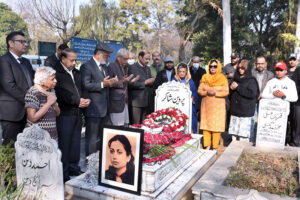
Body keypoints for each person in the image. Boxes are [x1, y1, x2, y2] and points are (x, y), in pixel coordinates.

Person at [54, 48, 91, 182]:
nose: (74, 63)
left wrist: (86, 99)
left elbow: (83, 88)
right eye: (71, 60)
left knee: (75, 142)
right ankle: (64, 173)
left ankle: (74, 168)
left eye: (75, 60)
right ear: (63, 59)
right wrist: (76, 101)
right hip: (65, 113)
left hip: (77, 112)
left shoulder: (76, 72)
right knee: (65, 143)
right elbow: (59, 93)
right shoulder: (56, 73)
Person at [81, 42, 118, 157]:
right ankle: (90, 161)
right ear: (99, 54)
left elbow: (106, 83)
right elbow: (86, 85)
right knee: (92, 138)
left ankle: (101, 160)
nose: (108, 59)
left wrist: (111, 82)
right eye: (106, 56)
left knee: (104, 136)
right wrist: (103, 84)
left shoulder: (104, 67)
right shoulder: (86, 66)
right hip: (94, 109)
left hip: (105, 109)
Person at [0, 31, 34, 146]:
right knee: (10, 146)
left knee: (24, 147)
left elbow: (33, 82)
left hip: (28, 113)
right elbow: (9, 85)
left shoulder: (26, 62)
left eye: (26, 42)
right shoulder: (4, 60)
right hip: (12, 113)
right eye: (21, 42)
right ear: (11, 43)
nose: (25, 44)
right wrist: (30, 100)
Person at [198, 59, 229, 150]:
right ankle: (207, 145)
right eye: (211, 66)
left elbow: (226, 91)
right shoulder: (204, 77)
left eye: (215, 66)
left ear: (218, 67)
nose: (213, 68)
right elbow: (199, 90)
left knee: (216, 126)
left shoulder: (222, 78)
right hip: (206, 106)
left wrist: (215, 92)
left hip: (218, 107)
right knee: (206, 126)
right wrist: (207, 91)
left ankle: (215, 146)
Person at [25, 66, 60, 140]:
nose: (55, 81)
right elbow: (33, 118)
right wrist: (49, 103)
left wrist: (53, 103)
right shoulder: (33, 93)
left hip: (51, 138)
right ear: (42, 81)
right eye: (52, 79)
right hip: (36, 139)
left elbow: (57, 113)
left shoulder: (51, 92)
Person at [228, 59, 259, 141]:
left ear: (247, 69)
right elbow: (229, 94)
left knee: (243, 136)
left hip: (245, 112)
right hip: (235, 111)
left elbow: (252, 95)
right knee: (234, 135)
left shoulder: (251, 80)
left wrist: (238, 87)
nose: (240, 70)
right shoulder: (235, 78)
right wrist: (231, 89)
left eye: (243, 68)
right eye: (239, 68)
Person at [108, 48, 135, 127]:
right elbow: (109, 84)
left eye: (128, 59)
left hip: (125, 102)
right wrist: (122, 81)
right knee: (117, 127)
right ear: (118, 57)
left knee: (125, 126)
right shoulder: (112, 66)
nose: (127, 61)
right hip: (116, 103)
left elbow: (125, 82)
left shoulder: (125, 67)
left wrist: (130, 81)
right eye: (125, 59)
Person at [250, 56, 274, 142]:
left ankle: (262, 140)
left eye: (262, 63)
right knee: (252, 120)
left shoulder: (270, 75)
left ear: (265, 64)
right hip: (253, 100)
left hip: (265, 101)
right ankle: (251, 139)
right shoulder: (251, 73)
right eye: (258, 63)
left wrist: (263, 94)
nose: (260, 65)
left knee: (264, 121)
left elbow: (272, 88)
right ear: (255, 64)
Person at [128, 50, 154, 124]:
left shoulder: (148, 68)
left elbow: (149, 81)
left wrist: (152, 81)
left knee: (144, 126)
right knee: (136, 126)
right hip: (136, 103)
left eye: (149, 59)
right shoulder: (132, 67)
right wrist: (144, 83)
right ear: (140, 57)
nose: (148, 61)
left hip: (146, 102)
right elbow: (130, 85)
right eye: (146, 59)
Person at [173, 63, 198, 133]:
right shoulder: (174, 81)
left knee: (191, 118)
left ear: (186, 72)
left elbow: (194, 92)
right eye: (180, 72)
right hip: (178, 104)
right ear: (177, 72)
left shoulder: (190, 81)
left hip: (188, 105)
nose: (181, 73)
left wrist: (193, 97)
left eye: (183, 72)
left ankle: (191, 133)